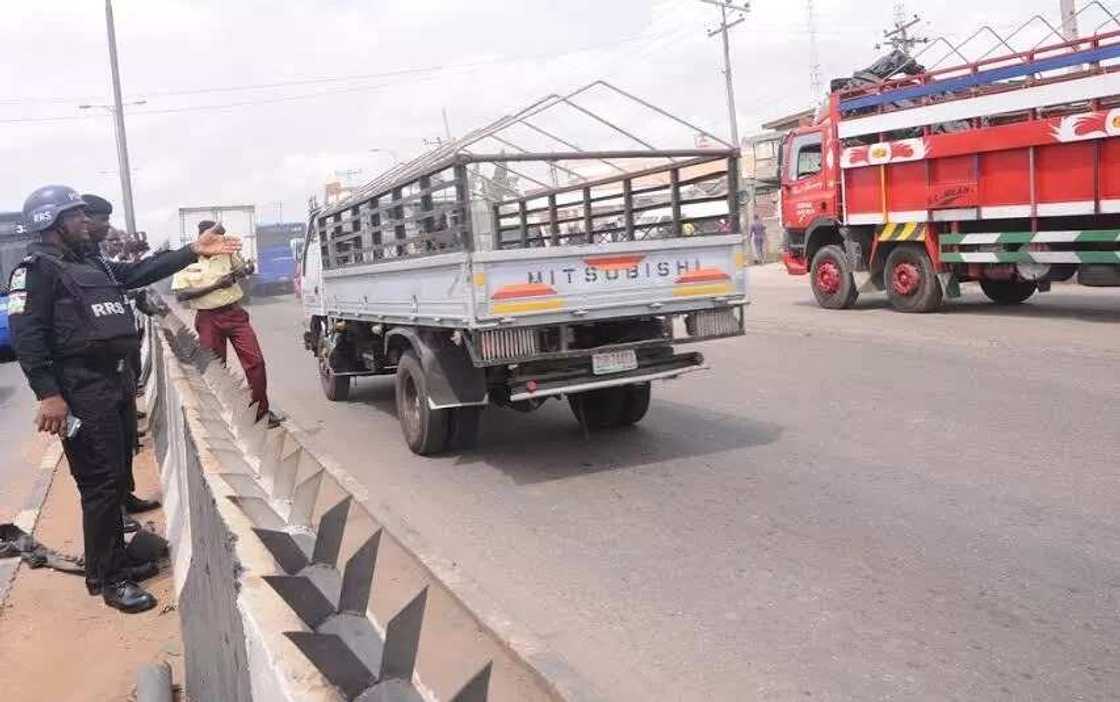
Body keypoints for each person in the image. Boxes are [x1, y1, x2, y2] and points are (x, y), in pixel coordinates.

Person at [8, 185, 240, 613]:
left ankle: (116, 561)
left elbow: (138, 273)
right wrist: (49, 395)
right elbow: (29, 337)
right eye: (76, 216)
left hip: (110, 382)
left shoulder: (89, 261)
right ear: (52, 223)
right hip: (78, 390)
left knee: (115, 478)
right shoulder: (35, 270)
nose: (86, 222)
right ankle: (107, 579)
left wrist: (193, 250)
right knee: (99, 485)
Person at [83, 194, 161, 520]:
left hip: (119, 368)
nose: (108, 227)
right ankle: (117, 521)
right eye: (103, 220)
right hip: (91, 378)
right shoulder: (66, 265)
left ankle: (126, 496)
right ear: (85, 221)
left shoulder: (97, 260)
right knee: (105, 455)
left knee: (127, 435)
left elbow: (132, 276)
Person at [171, 220, 279, 427]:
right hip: (208, 319)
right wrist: (215, 285)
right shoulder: (187, 261)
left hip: (234, 314)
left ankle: (261, 413)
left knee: (255, 363)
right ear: (203, 236)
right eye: (216, 234)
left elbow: (244, 269)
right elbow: (181, 294)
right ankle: (224, 416)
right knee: (216, 369)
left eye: (222, 234)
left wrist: (246, 269)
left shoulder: (227, 253)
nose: (220, 239)